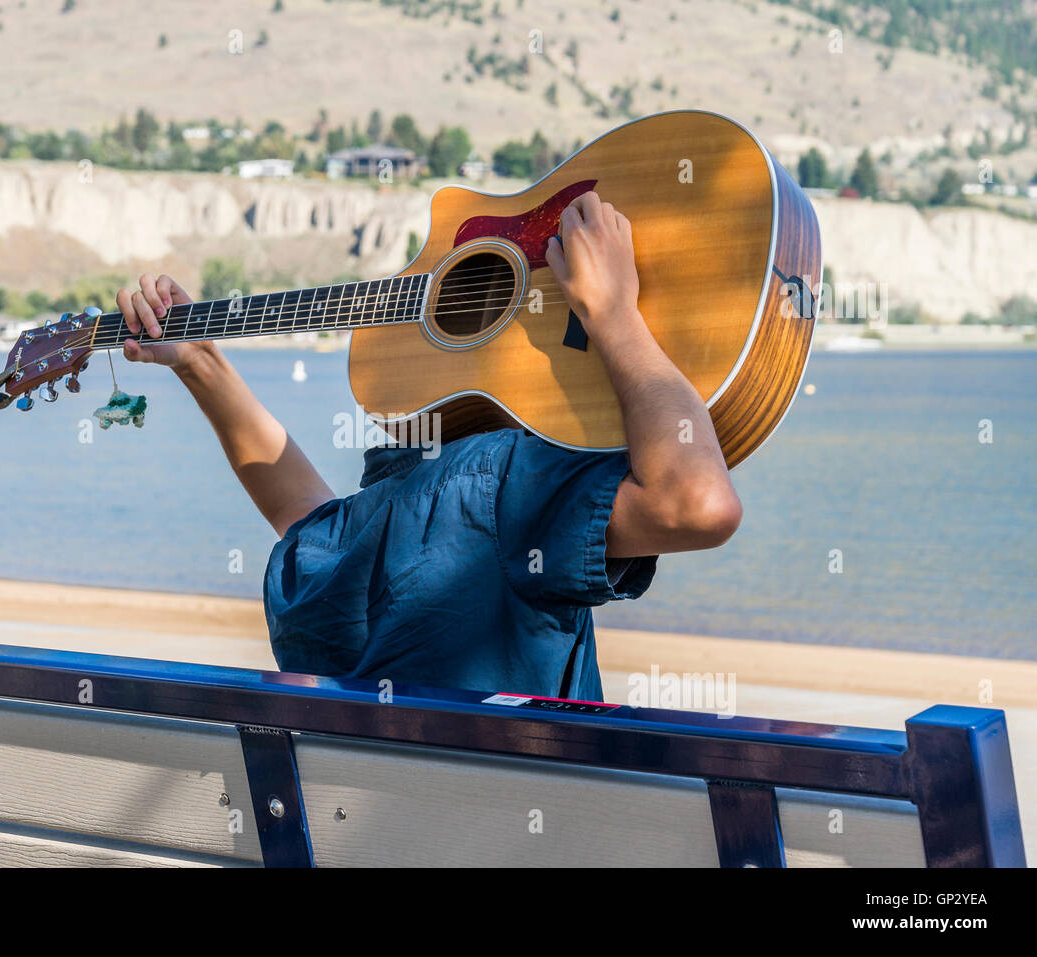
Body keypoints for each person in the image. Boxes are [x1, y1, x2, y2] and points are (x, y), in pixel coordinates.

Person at [115, 193, 741, 700]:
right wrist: (614, 317)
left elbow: (300, 514)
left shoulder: (353, 543)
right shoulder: (504, 485)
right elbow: (696, 504)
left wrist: (199, 364)